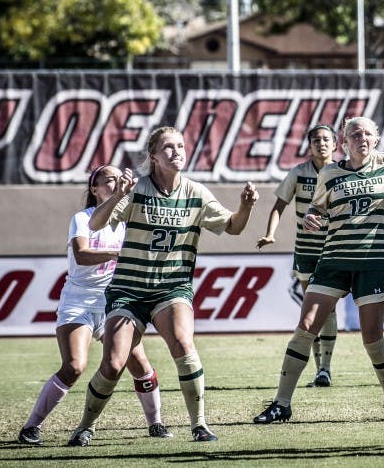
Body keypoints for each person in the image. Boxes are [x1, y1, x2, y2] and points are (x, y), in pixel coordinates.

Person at [67, 126, 258, 446]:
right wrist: (117, 194)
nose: (177, 152)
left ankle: (199, 424)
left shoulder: (196, 193)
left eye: (180, 146)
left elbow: (233, 227)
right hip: (129, 289)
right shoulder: (137, 190)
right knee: (113, 365)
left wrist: (246, 206)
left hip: (172, 287)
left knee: (184, 344)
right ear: (153, 156)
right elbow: (96, 223)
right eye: (168, 147)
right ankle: (85, 425)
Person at [253, 117, 384, 424]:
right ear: (345, 142)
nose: (362, 138)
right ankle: (281, 403)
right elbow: (317, 207)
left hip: (372, 262)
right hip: (333, 259)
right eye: (355, 134)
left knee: (371, 338)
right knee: (306, 326)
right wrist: (312, 216)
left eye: (368, 133)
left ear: (376, 139)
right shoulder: (329, 173)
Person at [18, 165, 171, 446]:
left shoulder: (128, 222)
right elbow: (82, 254)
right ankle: (31, 427)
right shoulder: (83, 218)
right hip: (79, 300)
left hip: (115, 302)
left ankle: (156, 423)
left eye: (119, 179)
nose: (115, 183)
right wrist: (119, 252)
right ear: (94, 189)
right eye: (109, 179)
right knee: (74, 366)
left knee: (140, 364)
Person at [256, 123, 340, 388]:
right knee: (312, 309)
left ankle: (324, 368)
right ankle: (320, 370)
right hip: (306, 251)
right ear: (309, 145)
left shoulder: (343, 171)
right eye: (316, 139)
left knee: (328, 308)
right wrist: (271, 234)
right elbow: (278, 206)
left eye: (326, 139)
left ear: (335, 144)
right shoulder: (298, 173)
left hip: (335, 248)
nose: (321, 143)